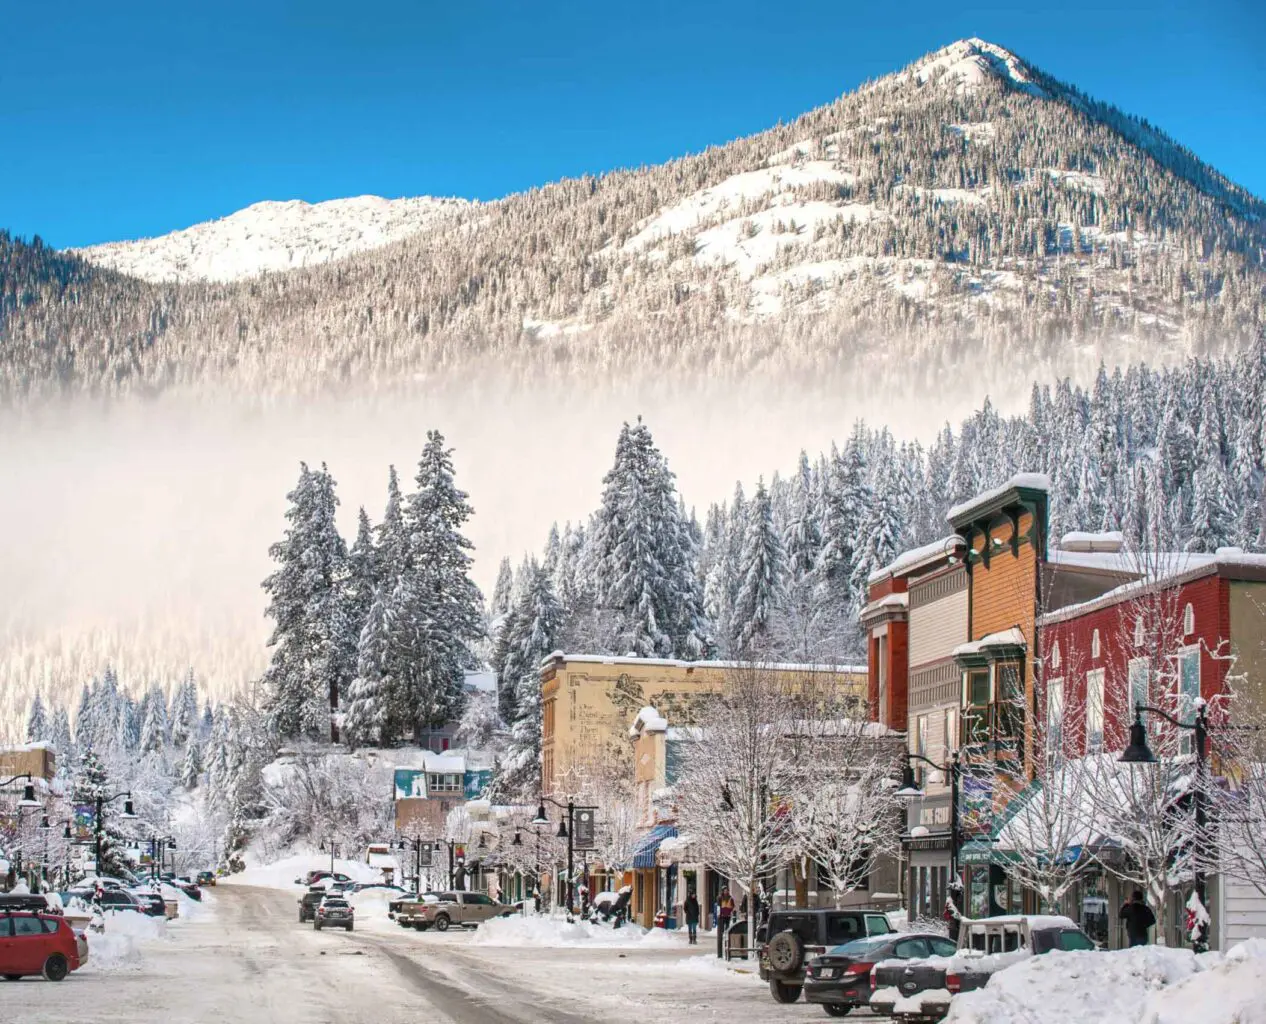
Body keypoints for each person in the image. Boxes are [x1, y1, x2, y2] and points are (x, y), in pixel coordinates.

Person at [716, 887, 735, 958]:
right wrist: (718, 914)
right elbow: (718, 906)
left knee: (727, 931)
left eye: (727, 891)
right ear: (722, 891)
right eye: (725, 891)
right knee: (720, 932)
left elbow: (732, 906)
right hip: (721, 917)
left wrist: (730, 911)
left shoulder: (730, 898)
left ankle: (727, 949)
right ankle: (720, 953)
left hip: (727, 916)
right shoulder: (720, 898)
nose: (726, 892)